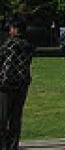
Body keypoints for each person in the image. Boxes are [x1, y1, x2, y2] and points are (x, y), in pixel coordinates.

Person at [0, 18, 35, 150]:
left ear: (15, 29)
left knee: (3, 117)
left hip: (7, 84)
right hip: (22, 84)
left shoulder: (9, 45)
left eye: (11, 28)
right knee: (16, 117)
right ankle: (13, 144)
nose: (9, 30)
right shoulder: (28, 46)